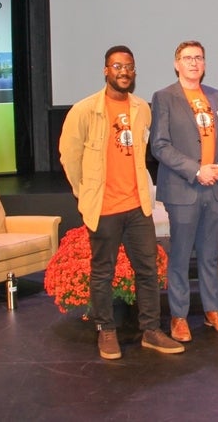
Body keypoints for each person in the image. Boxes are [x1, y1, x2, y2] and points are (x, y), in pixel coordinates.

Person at [59, 44, 185, 359]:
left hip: (137, 206)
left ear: (134, 70)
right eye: (117, 66)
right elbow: (69, 157)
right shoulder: (85, 110)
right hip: (103, 208)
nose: (123, 72)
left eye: (128, 66)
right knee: (103, 271)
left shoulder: (142, 108)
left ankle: (151, 331)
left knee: (147, 270)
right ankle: (107, 331)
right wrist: (85, 192)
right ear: (106, 70)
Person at [150, 40, 218, 343]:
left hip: (214, 187)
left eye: (198, 57)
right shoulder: (164, 97)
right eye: (187, 58)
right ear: (177, 64)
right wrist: (195, 169)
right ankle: (179, 316)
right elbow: (159, 144)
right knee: (181, 255)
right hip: (183, 188)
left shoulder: (216, 96)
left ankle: (213, 311)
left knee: (210, 253)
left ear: (204, 63)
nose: (193, 63)